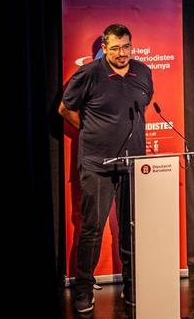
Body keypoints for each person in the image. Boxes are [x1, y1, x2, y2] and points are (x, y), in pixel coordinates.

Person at [58, 24, 154, 314]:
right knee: (92, 229)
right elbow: (65, 110)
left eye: (126, 47)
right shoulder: (89, 74)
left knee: (130, 229)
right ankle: (84, 289)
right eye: (115, 48)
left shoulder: (143, 72)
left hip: (133, 165)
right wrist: (93, 132)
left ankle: (132, 286)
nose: (122, 53)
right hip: (97, 166)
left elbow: (143, 104)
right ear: (104, 46)